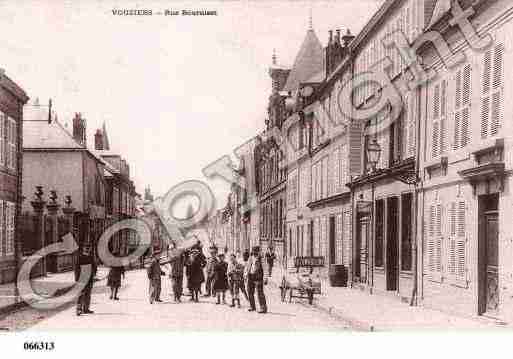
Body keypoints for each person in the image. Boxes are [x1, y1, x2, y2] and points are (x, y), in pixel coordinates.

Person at [75, 245, 97, 316]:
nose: (87, 249)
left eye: (88, 248)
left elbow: (94, 267)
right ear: (83, 249)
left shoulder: (91, 258)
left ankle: (86, 309)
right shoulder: (80, 258)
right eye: (86, 248)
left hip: (89, 278)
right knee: (81, 294)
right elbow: (77, 268)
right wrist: (77, 278)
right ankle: (78, 309)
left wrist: (94, 274)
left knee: (88, 294)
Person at [247, 246, 267, 314]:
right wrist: (246, 274)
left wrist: (265, 278)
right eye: (253, 251)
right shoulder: (251, 258)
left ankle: (263, 307)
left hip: (258, 277)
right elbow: (248, 267)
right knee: (250, 291)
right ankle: (252, 306)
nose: (254, 253)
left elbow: (265, 269)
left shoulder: (262, 259)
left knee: (260, 293)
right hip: (251, 276)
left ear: (259, 252)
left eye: (256, 252)